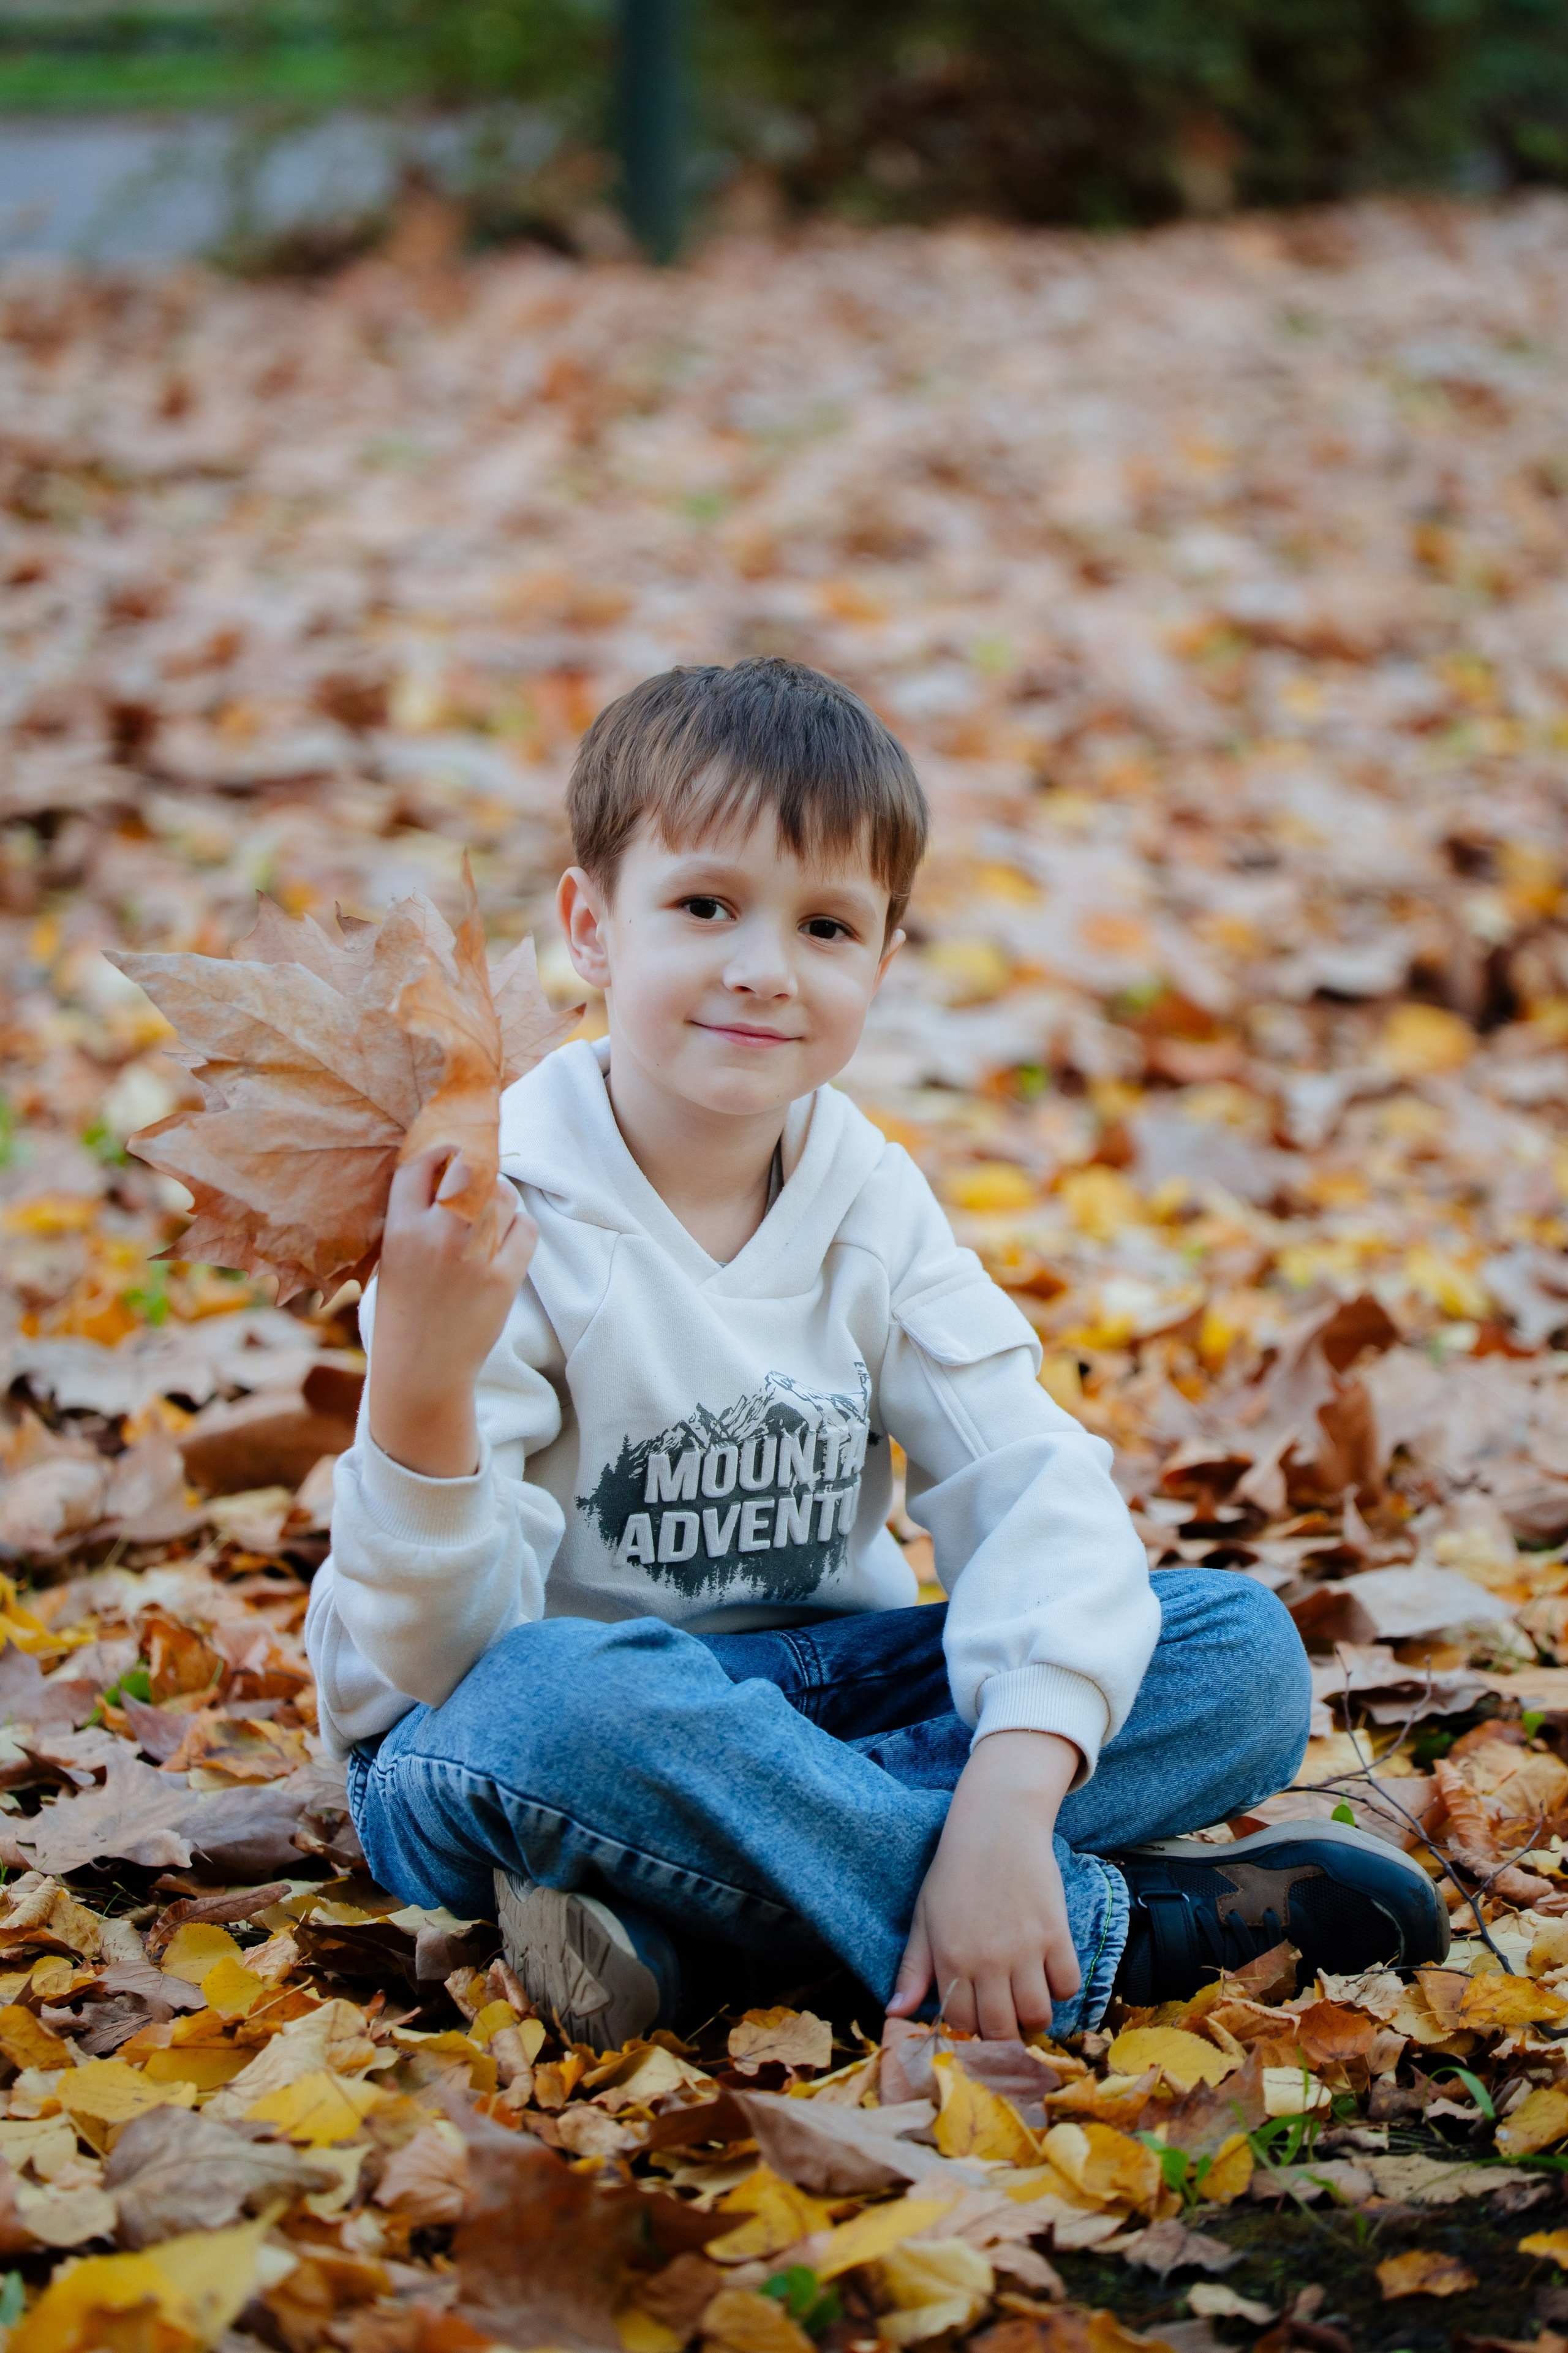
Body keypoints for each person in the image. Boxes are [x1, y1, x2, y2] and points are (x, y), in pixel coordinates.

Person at [304, 657, 1446, 2050]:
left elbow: (1028, 1483)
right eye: (705, 905)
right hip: (489, 1736)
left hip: (814, 1694)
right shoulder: (491, 1201)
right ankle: (1107, 1930)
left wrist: (1008, 1804)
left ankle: (698, 1915)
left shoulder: (867, 1196)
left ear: (883, 961)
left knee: (1240, 1654)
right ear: (591, 926)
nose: (762, 967)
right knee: (563, 1707)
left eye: (827, 925)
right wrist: (422, 1378)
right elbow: (441, 1655)